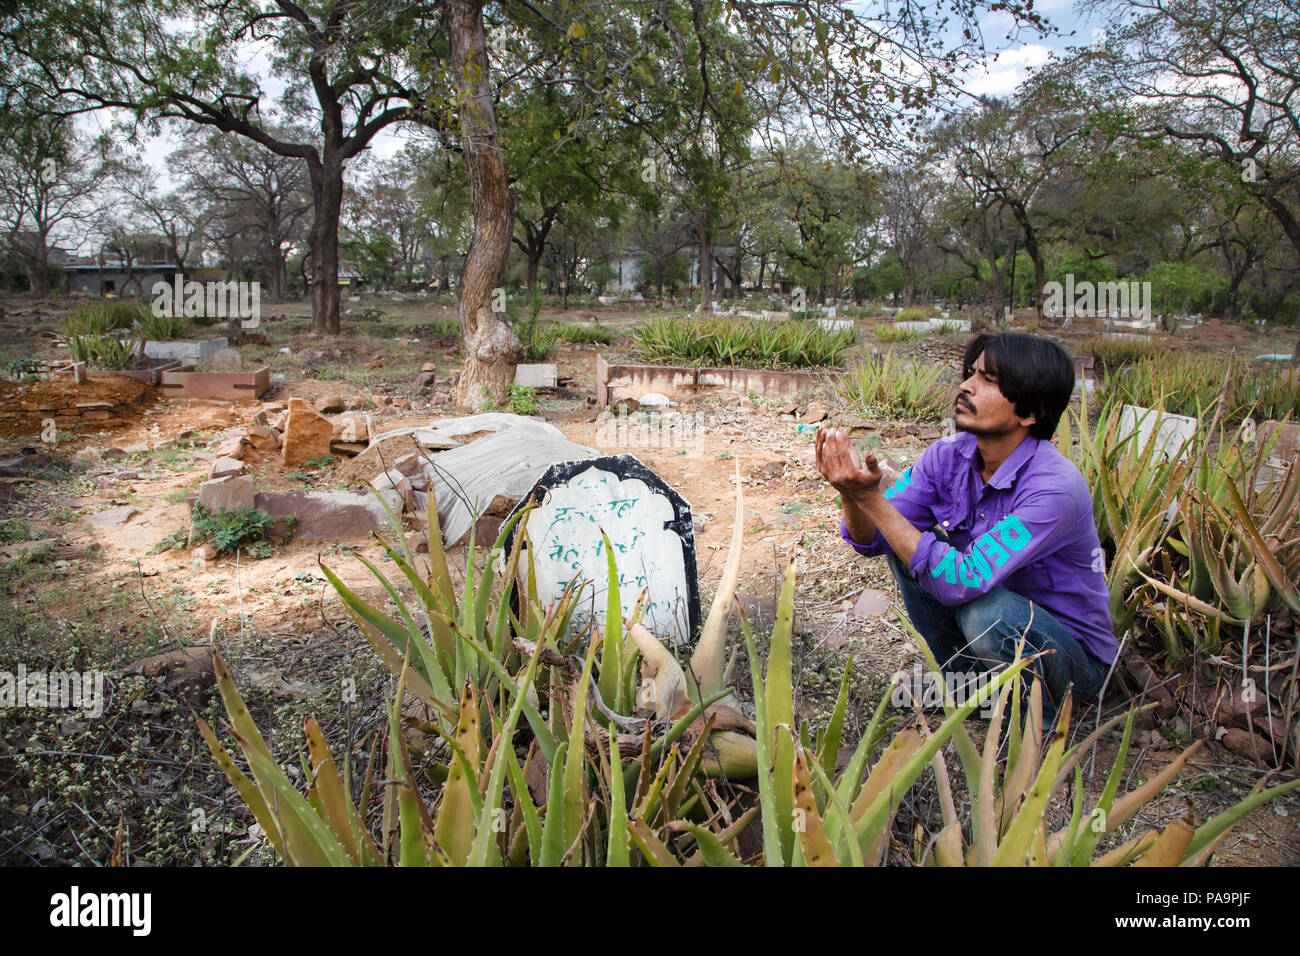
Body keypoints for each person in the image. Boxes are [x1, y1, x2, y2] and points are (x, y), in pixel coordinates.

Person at [815, 332, 1116, 733]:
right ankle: (970, 688)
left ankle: (1033, 730)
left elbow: (964, 580)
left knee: (987, 614)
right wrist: (854, 496)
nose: (966, 385)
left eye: (989, 380)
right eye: (971, 372)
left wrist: (873, 501)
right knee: (908, 546)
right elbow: (871, 539)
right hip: (998, 618)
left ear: (1030, 411)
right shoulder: (949, 456)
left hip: (1071, 660)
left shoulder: (1054, 488)